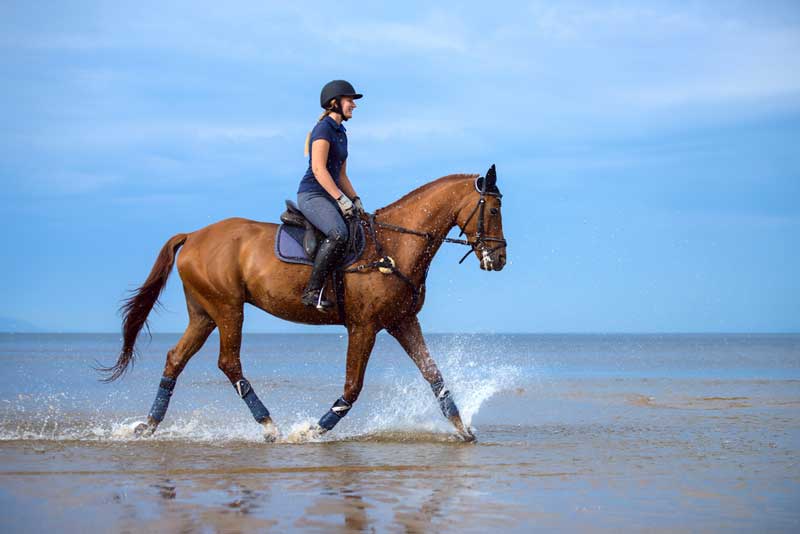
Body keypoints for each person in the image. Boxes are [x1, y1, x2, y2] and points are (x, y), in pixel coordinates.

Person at [297, 80, 365, 311]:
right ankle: (312, 291)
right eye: (349, 100)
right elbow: (318, 169)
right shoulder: (323, 129)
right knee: (338, 234)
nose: (354, 105)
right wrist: (340, 199)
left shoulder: (342, 133)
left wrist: (355, 199)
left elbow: (342, 175)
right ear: (335, 103)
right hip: (313, 194)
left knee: (359, 228)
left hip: (330, 194)